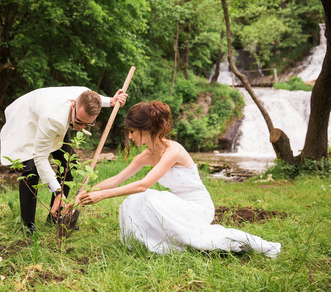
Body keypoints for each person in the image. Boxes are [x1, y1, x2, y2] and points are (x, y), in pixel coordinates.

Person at [76, 101, 281, 257]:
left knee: (147, 196)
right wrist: (85, 194)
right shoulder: (146, 155)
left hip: (197, 208)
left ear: (144, 130)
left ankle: (249, 244)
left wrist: (104, 196)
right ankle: (148, 244)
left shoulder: (173, 150)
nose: (129, 137)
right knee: (131, 202)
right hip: (177, 204)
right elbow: (115, 180)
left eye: (131, 131)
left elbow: (143, 185)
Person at [0, 86, 127, 236]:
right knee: (32, 170)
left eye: (87, 124)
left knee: (70, 165)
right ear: (73, 105)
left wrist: (111, 101)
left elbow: (92, 96)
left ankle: (55, 218)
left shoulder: (82, 96)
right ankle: (28, 226)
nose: (80, 129)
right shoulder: (53, 119)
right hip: (27, 120)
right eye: (79, 122)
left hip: (57, 118)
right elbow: (40, 157)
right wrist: (58, 192)